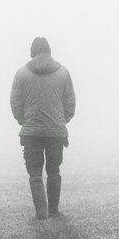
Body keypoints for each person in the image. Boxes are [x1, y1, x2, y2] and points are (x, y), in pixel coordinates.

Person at [10, 37, 76, 220]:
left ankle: (41, 211)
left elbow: (15, 102)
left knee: (35, 173)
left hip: (31, 133)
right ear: (49, 51)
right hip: (56, 132)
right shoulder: (63, 73)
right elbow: (70, 103)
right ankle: (53, 210)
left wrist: (24, 120)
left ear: (32, 52)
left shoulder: (21, 73)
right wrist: (61, 120)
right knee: (54, 171)